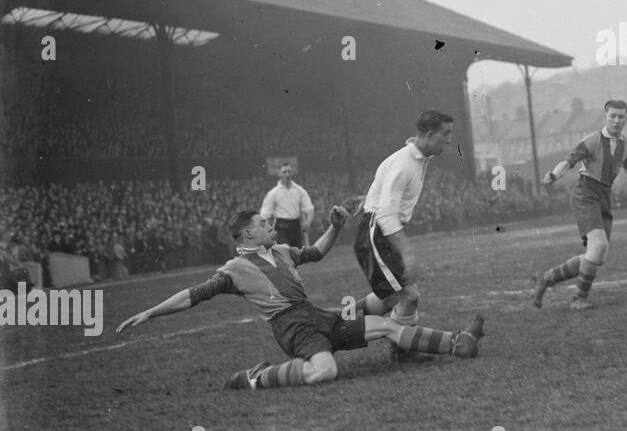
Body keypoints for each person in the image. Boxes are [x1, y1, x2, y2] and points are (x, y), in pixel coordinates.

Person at [116, 207, 484, 390]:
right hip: (292, 329)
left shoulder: (280, 251)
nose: (269, 225)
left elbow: (318, 252)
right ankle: (256, 378)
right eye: (263, 223)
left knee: (387, 324)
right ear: (247, 233)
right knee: (325, 371)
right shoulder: (233, 268)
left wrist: (335, 227)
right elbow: (192, 296)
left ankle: (457, 343)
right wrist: (151, 311)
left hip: (318, 316)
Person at [530, 99, 627, 311]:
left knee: (596, 255)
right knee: (599, 246)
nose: (616, 120)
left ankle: (546, 279)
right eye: (612, 116)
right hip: (585, 193)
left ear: (626, 118)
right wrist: (554, 175)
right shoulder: (592, 141)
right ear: (605, 116)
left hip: (604, 196)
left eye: (621, 117)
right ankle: (578, 299)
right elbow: (569, 161)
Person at [351, 110, 455, 327]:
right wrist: (407, 252)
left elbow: (384, 189)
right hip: (376, 233)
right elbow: (386, 214)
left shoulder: (415, 158)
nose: (449, 139)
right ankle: (403, 349)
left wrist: (369, 199)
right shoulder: (403, 163)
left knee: (390, 297)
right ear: (427, 134)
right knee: (410, 296)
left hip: (378, 230)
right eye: (445, 133)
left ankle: (336, 319)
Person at [260, 163, 314, 248]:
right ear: (279, 174)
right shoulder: (273, 193)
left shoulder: (299, 190)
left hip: (296, 227)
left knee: (297, 255)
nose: (287, 174)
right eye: (284, 172)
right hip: (281, 228)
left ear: (292, 173)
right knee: (285, 253)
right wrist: (268, 231)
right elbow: (264, 214)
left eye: (289, 172)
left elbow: (309, 208)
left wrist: (308, 222)